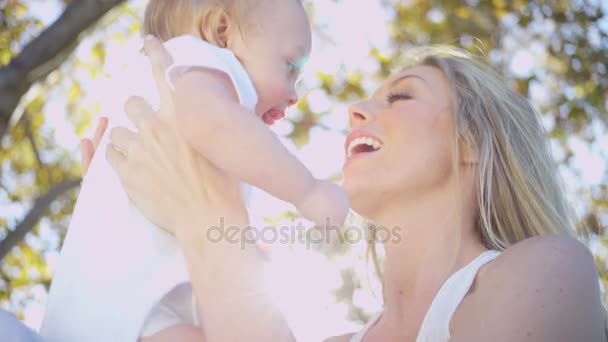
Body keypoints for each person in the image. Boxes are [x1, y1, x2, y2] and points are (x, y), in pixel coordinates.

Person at [95, 38, 608, 341]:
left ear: (472, 142)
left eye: (402, 95)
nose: (356, 110)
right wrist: (127, 218)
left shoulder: (549, 270)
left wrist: (207, 217)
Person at [41, 0, 347, 341]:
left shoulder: (171, 75)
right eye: (290, 66)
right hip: (131, 301)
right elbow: (208, 120)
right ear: (221, 32)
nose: (294, 95)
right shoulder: (201, 61)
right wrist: (308, 191)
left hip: (105, 298)